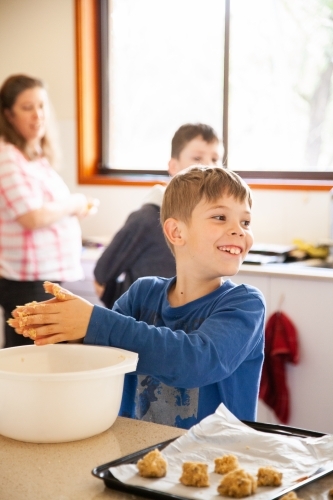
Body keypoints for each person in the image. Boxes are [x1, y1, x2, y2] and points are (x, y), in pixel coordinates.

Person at [9, 165, 265, 430]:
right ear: (176, 232)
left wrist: (92, 322)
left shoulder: (245, 304)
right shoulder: (142, 294)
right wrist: (72, 332)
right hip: (140, 456)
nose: (239, 231)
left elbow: (196, 361)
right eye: (221, 217)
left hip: (219, 461)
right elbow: (105, 358)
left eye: (245, 222)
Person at [0, 74, 99, 348]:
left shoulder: (33, 156)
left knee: (46, 359)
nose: (37, 115)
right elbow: (32, 217)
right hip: (27, 281)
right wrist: (75, 202)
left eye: (41, 106)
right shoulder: (7, 156)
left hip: (44, 276)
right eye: (27, 107)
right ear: (8, 114)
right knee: (32, 363)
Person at [94, 123, 221, 308]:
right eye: (197, 158)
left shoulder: (211, 222)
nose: (209, 166)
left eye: (216, 159)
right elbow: (102, 274)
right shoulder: (146, 219)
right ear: (173, 166)